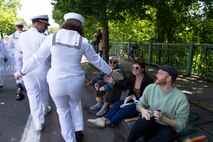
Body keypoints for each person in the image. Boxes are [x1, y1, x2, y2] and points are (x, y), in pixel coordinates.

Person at [14, 12, 123, 142]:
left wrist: (21, 72)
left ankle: (70, 139)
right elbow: (97, 61)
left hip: (56, 82)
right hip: (75, 82)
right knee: (75, 104)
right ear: (79, 26)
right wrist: (111, 72)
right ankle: (78, 130)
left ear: (65, 23)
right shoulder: (83, 42)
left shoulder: (52, 38)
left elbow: (37, 59)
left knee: (63, 111)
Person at [127, 65, 190, 142]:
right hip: (150, 120)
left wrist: (162, 118)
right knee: (138, 126)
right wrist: (142, 110)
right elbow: (139, 104)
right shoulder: (151, 88)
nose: (156, 75)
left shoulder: (181, 98)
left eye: (160, 74)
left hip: (167, 127)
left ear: (168, 78)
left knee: (166, 136)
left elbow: (181, 124)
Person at [87, 61, 154, 128]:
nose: (134, 69)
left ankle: (109, 121)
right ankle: (103, 119)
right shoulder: (132, 77)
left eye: (137, 68)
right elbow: (123, 87)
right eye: (132, 67)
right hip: (133, 98)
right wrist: (113, 82)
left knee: (127, 108)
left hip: (143, 103)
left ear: (142, 69)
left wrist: (135, 98)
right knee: (118, 104)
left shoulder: (148, 80)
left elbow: (149, 96)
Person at [16, 15, 51, 131]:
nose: (45, 28)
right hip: (41, 67)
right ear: (38, 23)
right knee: (43, 89)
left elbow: (20, 50)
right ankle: (45, 108)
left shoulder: (22, 36)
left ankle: (38, 122)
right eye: (45, 25)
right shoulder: (43, 38)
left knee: (33, 95)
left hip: (27, 68)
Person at [7, 21, 25, 101]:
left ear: (16, 27)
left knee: (18, 68)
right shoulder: (25, 34)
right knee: (27, 68)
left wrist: (13, 54)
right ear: (22, 26)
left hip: (17, 54)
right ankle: (26, 83)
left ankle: (19, 83)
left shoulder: (11, 36)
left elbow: (10, 47)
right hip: (25, 53)